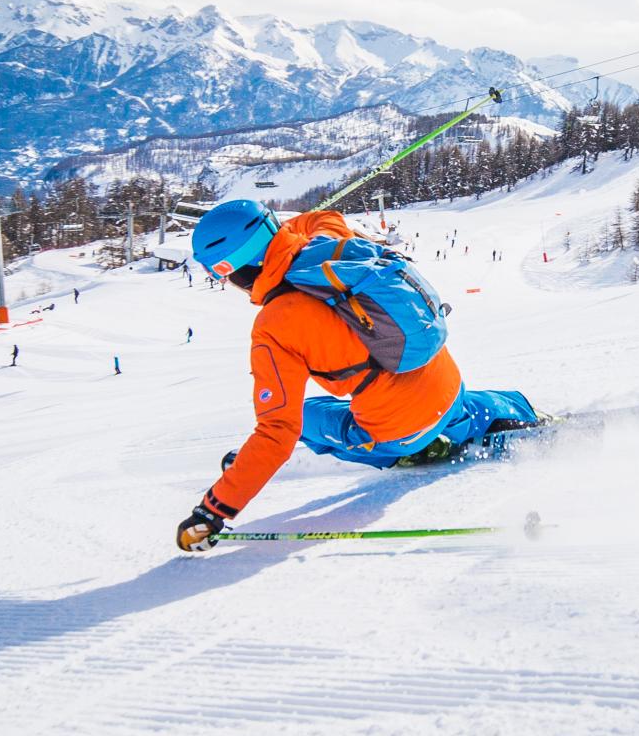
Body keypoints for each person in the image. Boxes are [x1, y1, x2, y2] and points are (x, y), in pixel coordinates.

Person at [175, 200, 537, 553]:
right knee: (448, 403)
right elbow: (325, 216)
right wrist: (280, 231)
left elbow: (276, 432)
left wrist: (214, 510)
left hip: (399, 430)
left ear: (233, 268)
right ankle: (512, 414)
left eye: (220, 273)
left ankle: (417, 449)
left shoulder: (274, 327)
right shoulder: (328, 246)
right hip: (448, 383)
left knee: (305, 416)